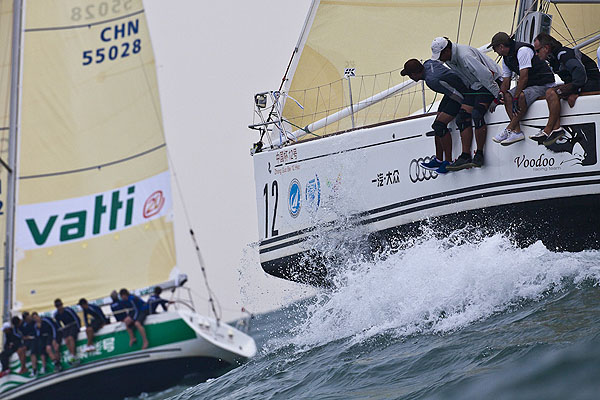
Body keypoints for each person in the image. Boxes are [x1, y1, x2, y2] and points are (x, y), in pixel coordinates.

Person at [431, 36, 503, 170]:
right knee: (462, 116)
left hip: (491, 82)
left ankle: (480, 154)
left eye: (440, 55)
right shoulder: (450, 59)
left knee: (477, 113)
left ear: (447, 50)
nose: (440, 59)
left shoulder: (465, 56)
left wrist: (497, 95)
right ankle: (465, 155)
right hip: (475, 85)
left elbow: (486, 76)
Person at [401, 58, 470, 173]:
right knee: (436, 124)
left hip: (460, 93)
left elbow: (455, 93)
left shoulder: (431, 80)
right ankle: (438, 159)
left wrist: (466, 105)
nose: (410, 78)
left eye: (409, 75)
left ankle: (448, 162)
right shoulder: (428, 63)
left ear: (414, 74)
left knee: (439, 125)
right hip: (451, 92)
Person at [532, 33, 600, 146]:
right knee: (550, 92)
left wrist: (576, 92)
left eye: (538, 50)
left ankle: (548, 129)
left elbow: (579, 73)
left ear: (546, 48)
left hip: (592, 83)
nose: (536, 53)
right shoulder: (553, 58)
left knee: (552, 92)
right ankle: (556, 129)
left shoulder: (563, 54)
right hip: (582, 83)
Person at [489, 32, 555, 145]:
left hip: (544, 83)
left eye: (495, 48)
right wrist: (499, 96)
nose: (495, 51)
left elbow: (524, 77)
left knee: (522, 96)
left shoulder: (522, 51)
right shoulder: (506, 58)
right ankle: (517, 132)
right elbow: (506, 81)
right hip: (531, 84)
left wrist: (516, 98)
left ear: (501, 46)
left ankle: (509, 128)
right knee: (507, 96)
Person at [53, 298, 81, 365]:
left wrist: (78, 327)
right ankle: (72, 355)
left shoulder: (68, 310)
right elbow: (58, 324)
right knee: (66, 339)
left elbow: (76, 318)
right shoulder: (56, 314)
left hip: (73, 324)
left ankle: (74, 355)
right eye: (57, 306)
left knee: (71, 338)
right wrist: (61, 330)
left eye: (60, 305)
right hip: (66, 327)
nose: (59, 307)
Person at [21, 312, 42, 376]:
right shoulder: (24, 325)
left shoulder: (34, 322)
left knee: (33, 353)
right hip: (28, 340)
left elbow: (38, 329)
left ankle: (35, 369)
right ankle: (23, 366)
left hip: (36, 339)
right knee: (23, 349)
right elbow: (23, 335)